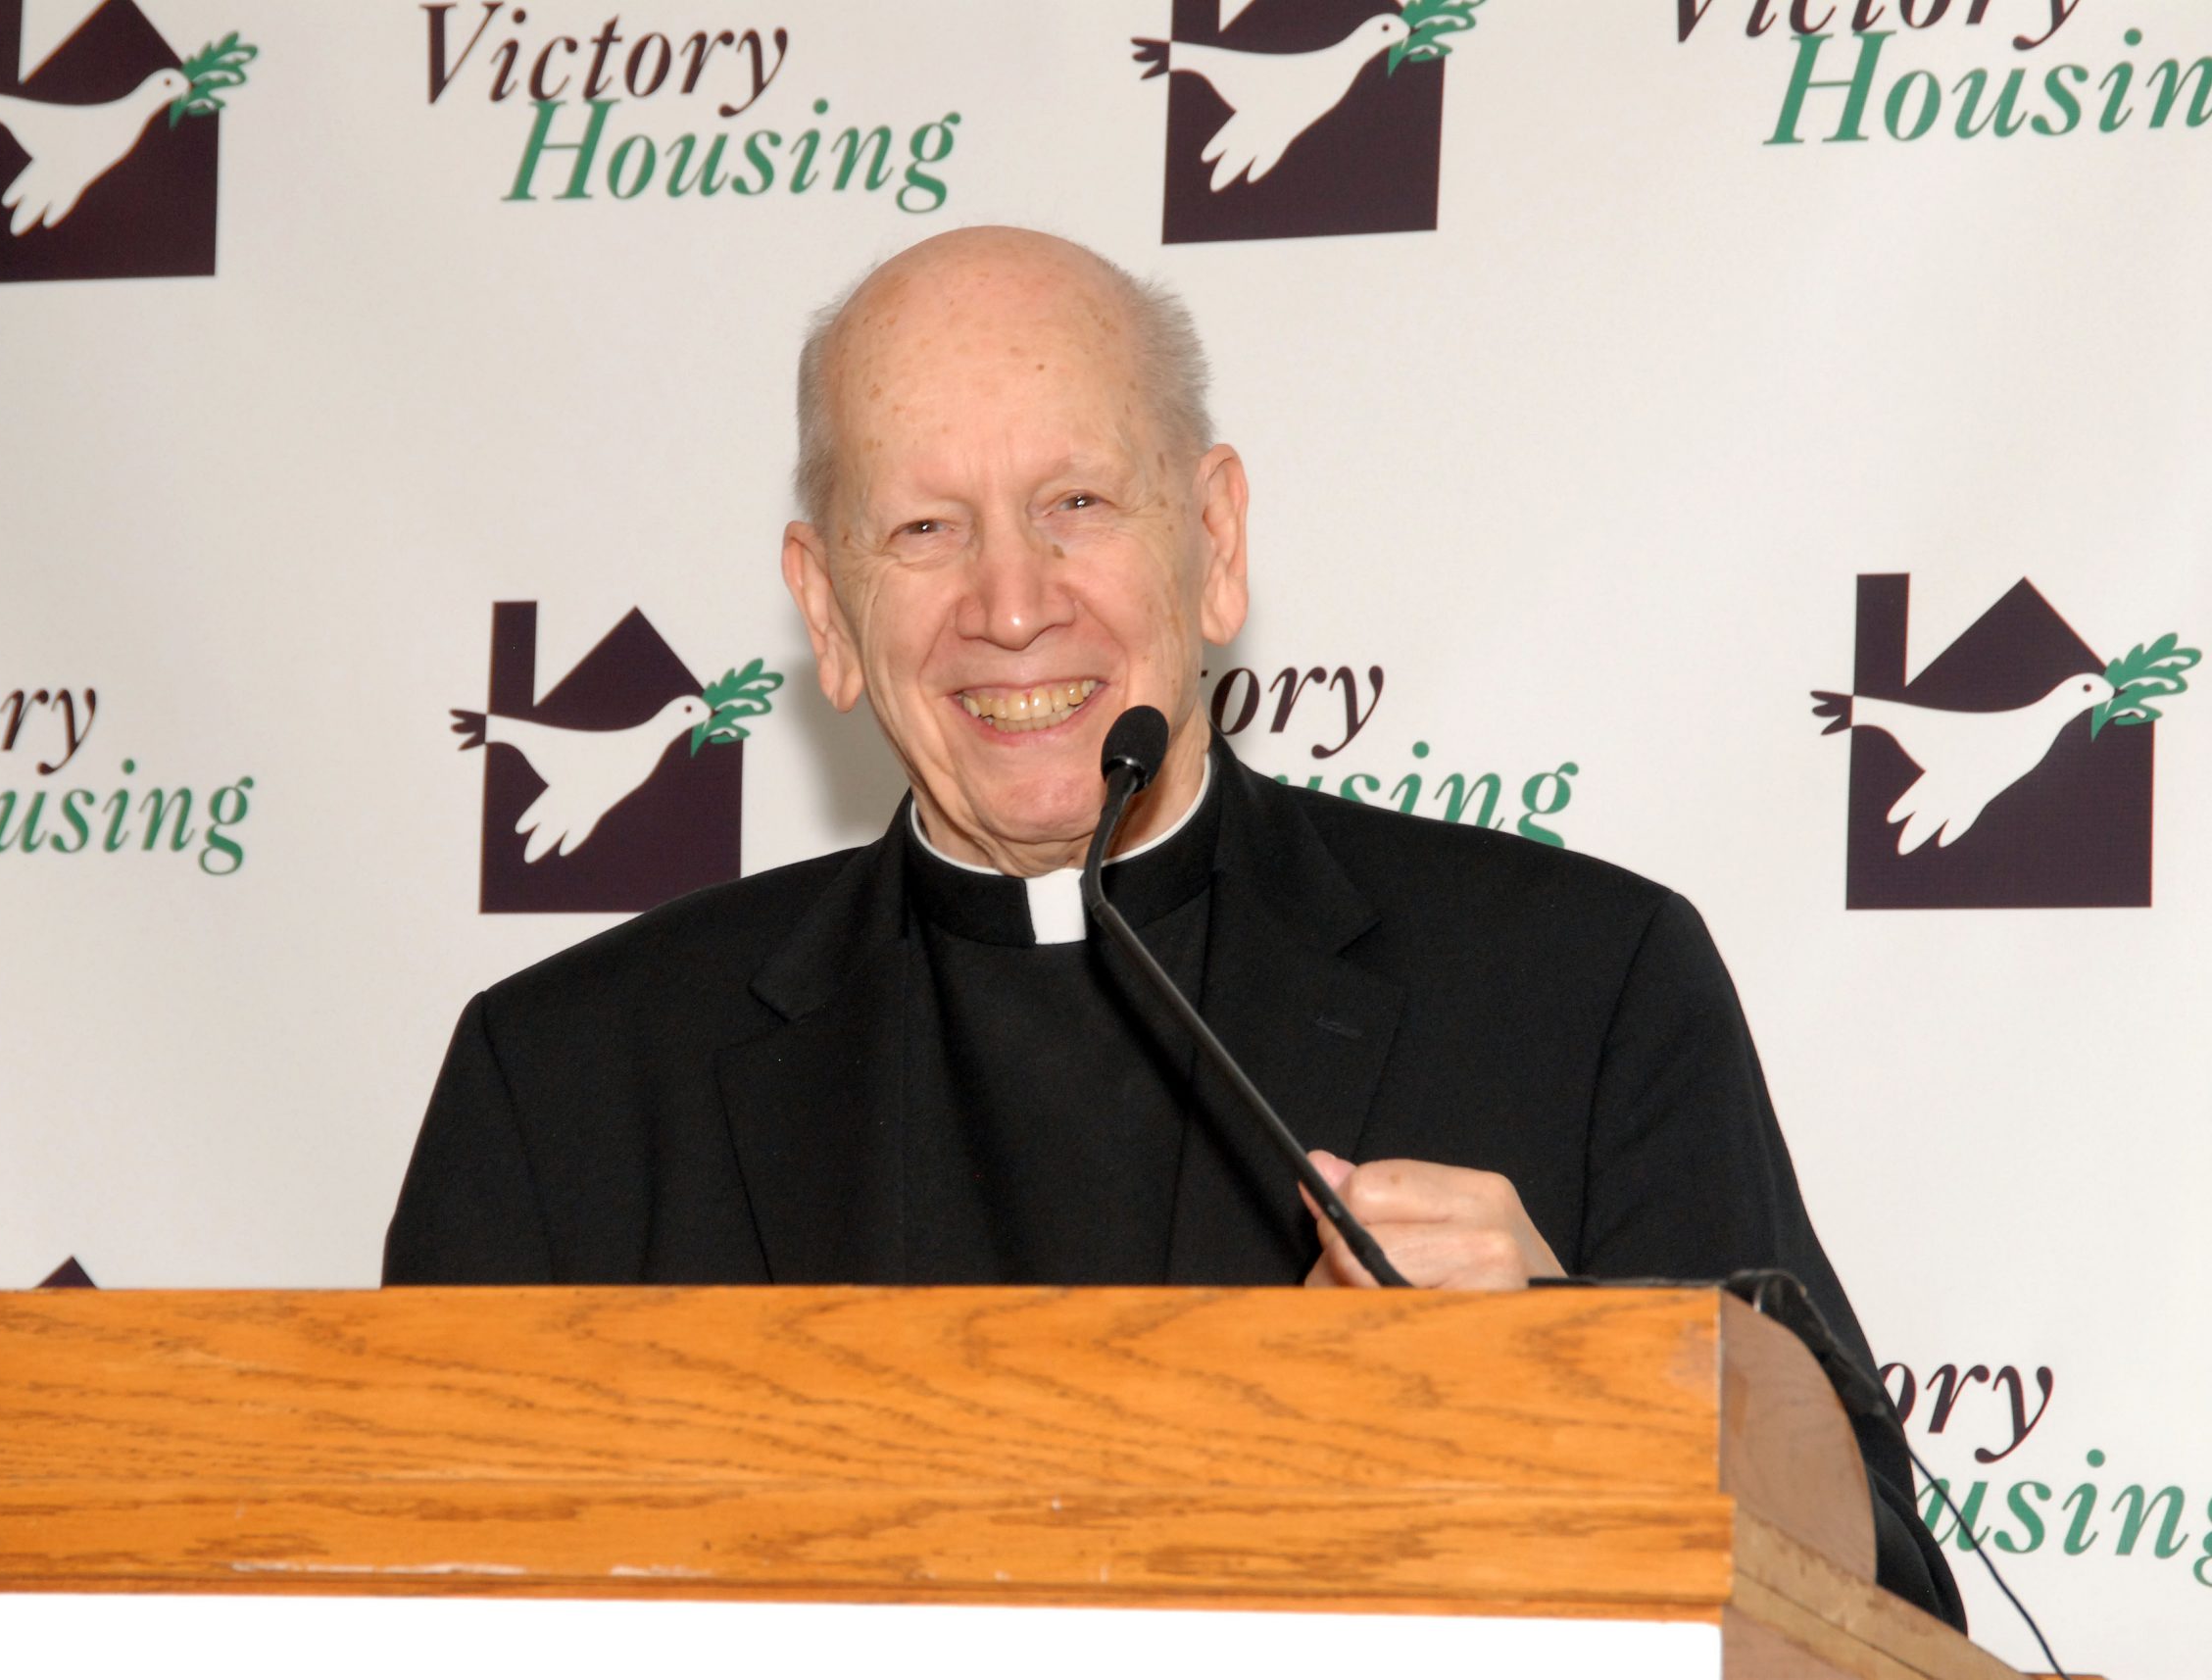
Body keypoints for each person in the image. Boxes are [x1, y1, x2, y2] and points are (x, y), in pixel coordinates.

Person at [383, 225, 1964, 1626]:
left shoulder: (1585, 984)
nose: (1012, 603)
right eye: (925, 529)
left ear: (1213, 539)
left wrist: (1592, 1383)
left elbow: (1882, 1597)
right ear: (825, 613)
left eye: (1076, 501)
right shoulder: (568, 1086)